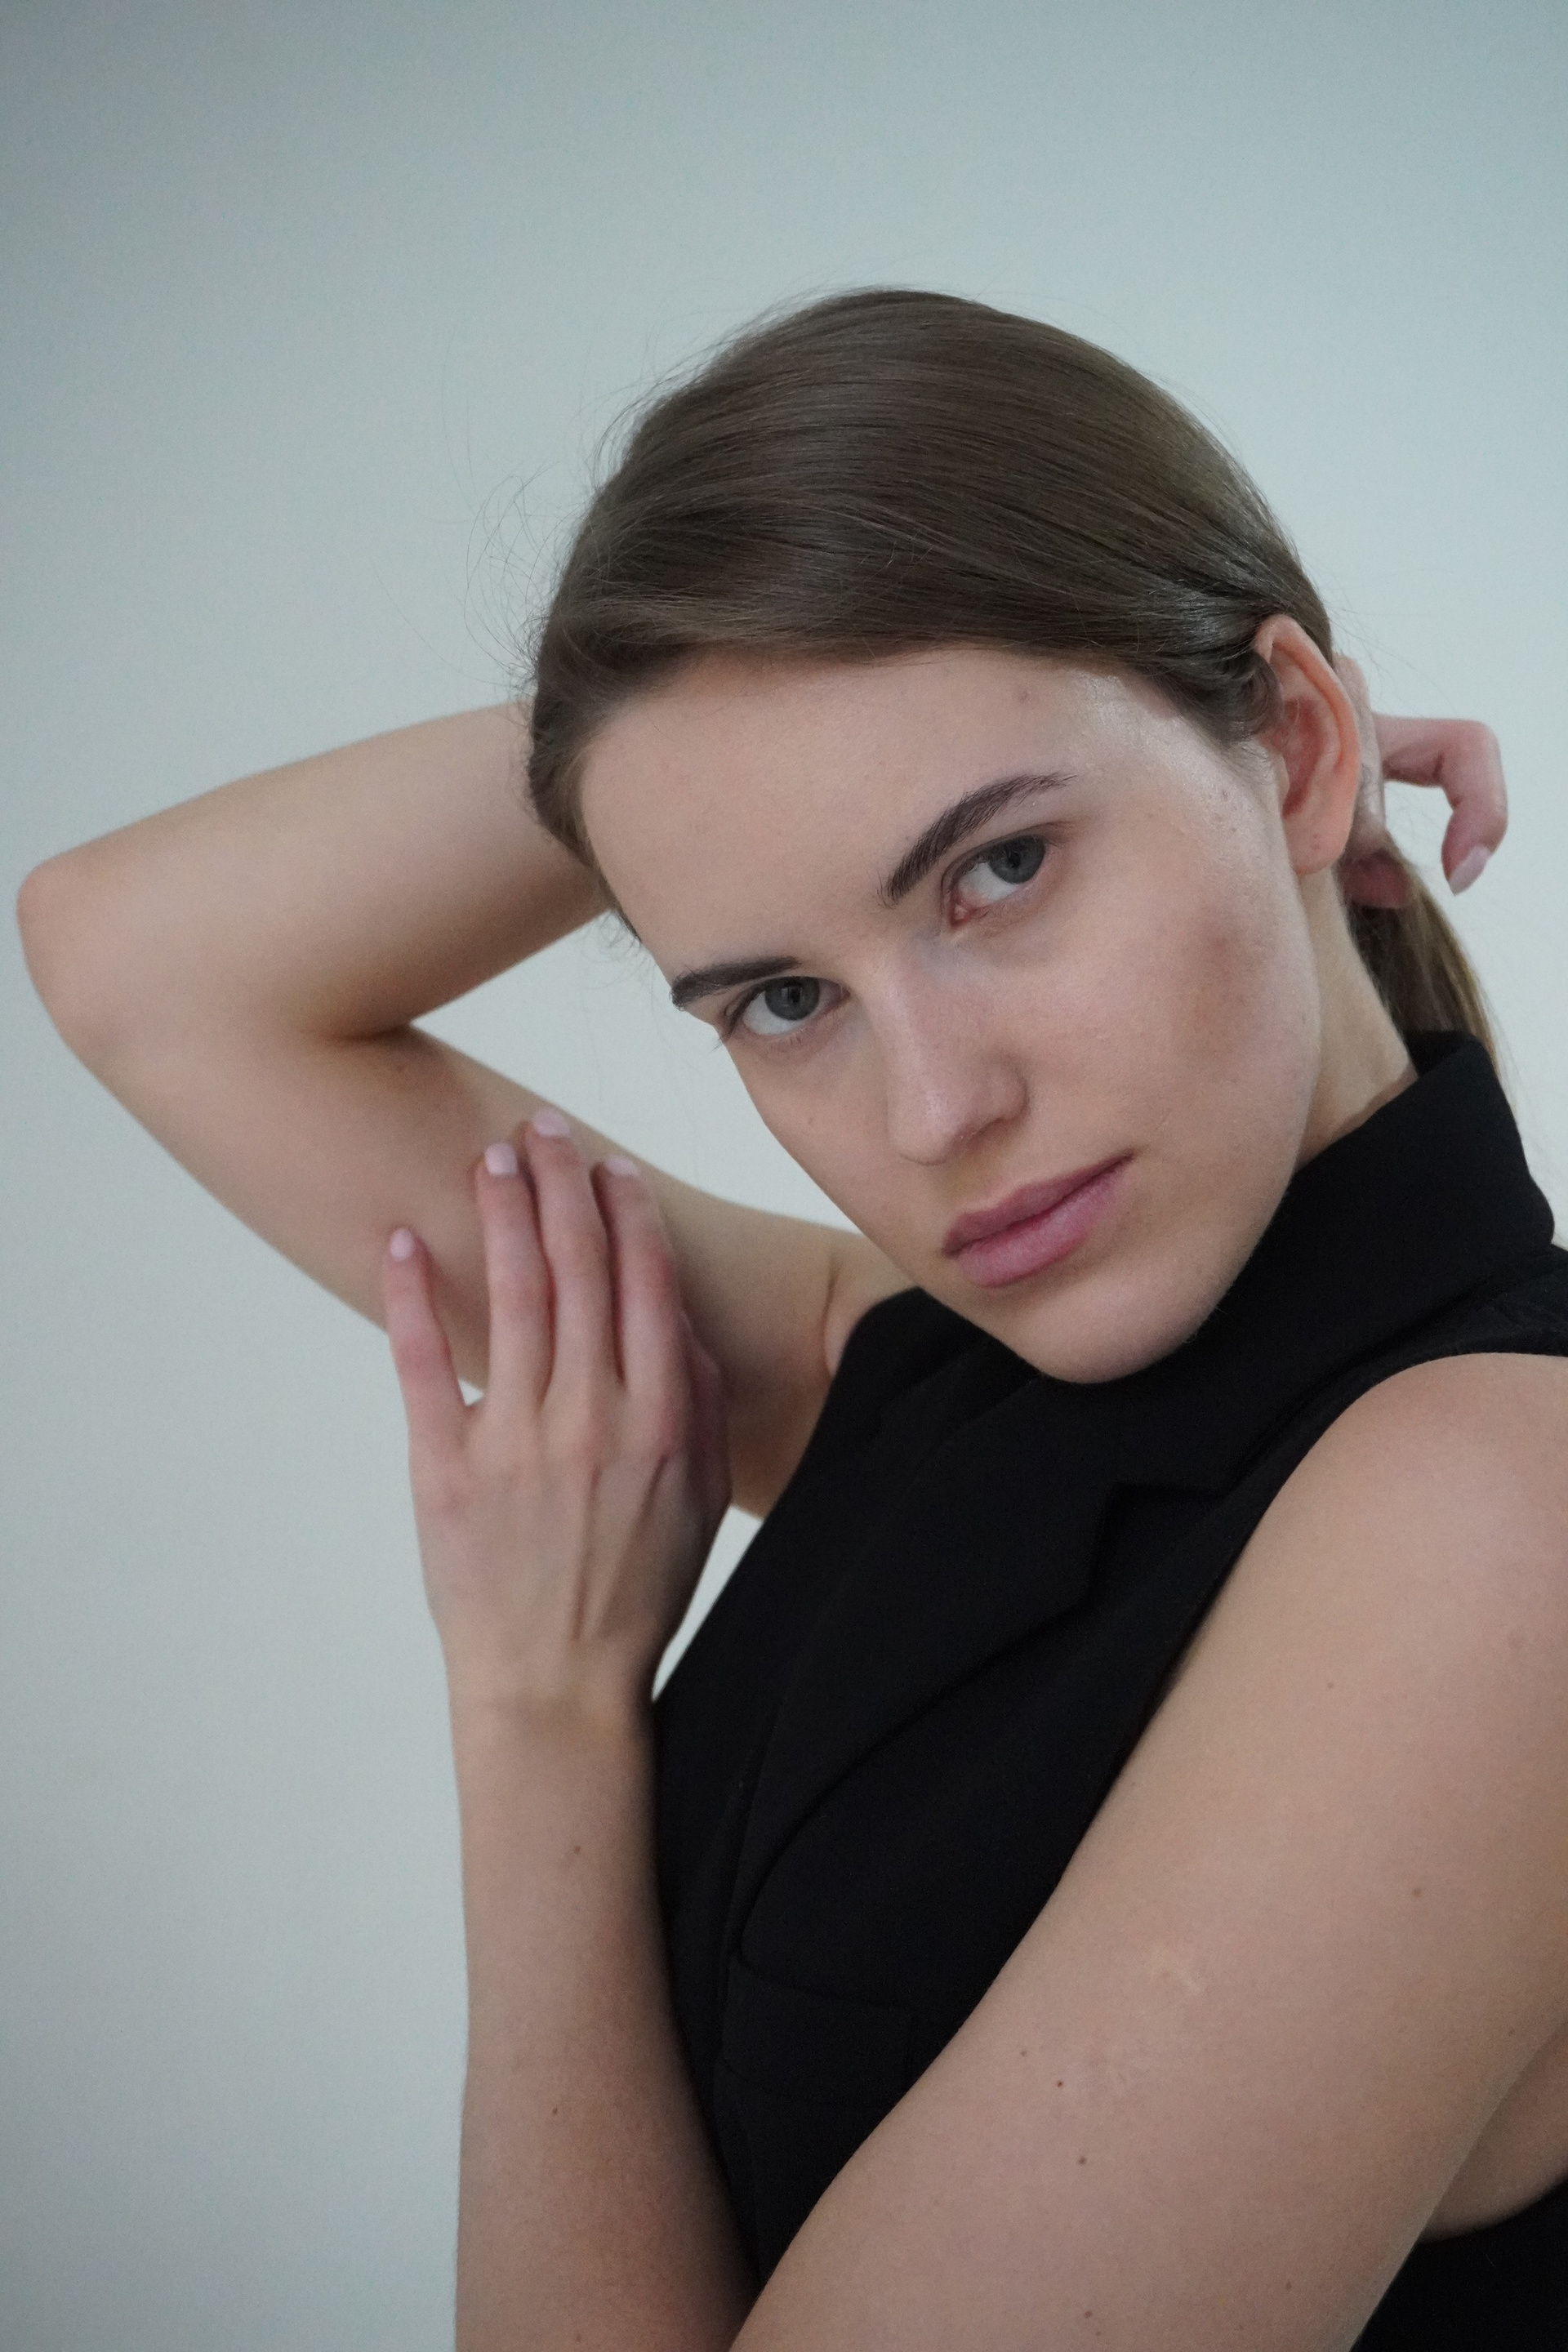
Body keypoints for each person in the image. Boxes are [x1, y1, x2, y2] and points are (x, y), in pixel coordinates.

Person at [17, 288, 1566, 2351]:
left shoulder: (1500, 1520)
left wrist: (542, 1729)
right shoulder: (918, 1365)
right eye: (784, 996)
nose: (933, 1116)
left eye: (1001, 868)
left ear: (1295, 745)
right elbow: (136, 961)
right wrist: (696, 734)